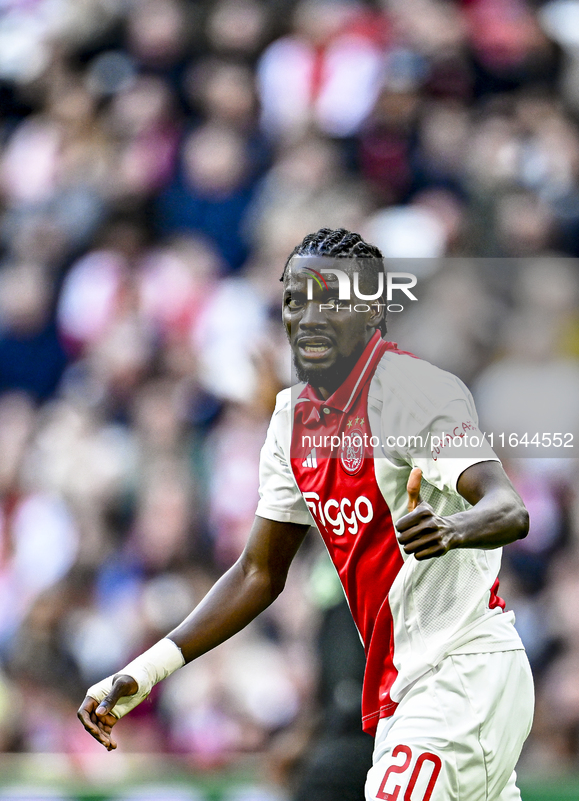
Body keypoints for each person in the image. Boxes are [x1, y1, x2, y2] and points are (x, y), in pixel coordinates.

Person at [78, 228, 534, 800]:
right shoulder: (292, 420)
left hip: (461, 671)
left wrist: (453, 526)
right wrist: (146, 672)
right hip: (406, 692)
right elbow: (257, 572)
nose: (308, 316)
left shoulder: (413, 392)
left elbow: (507, 505)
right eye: (295, 300)